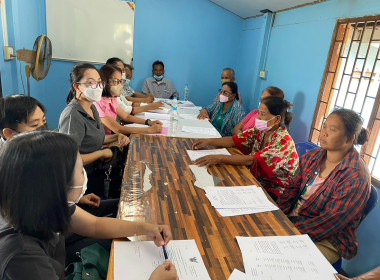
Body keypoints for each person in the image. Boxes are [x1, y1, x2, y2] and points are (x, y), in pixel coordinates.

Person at [0, 131, 178, 280]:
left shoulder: (45, 204)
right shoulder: (22, 256)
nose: (84, 176)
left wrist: (145, 228)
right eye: (79, 170)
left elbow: (95, 225)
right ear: (55, 185)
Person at [277, 108, 371, 264]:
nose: (324, 132)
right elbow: (291, 190)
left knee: (284, 263)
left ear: (349, 139)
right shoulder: (313, 156)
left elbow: (328, 223)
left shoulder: (355, 176)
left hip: (329, 238)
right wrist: (277, 217)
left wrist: (286, 228)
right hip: (294, 220)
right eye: (324, 126)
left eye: (332, 129)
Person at [193, 96, 298, 201]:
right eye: (259, 113)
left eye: (263, 114)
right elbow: (235, 140)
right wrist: (208, 141)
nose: (258, 118)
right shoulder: (261, 131)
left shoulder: (283, 141)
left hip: (275, 190)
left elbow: (251, 160)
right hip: (256, 179)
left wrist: (218, 158)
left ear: (277, 119)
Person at [59, 63, 130, 197]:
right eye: (91, 83)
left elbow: (95, 139)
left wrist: (117, 136)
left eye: (99, 82)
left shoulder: (92, 107)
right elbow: (70, 159)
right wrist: (101, 154)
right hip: (82, 179)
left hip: (96, 170)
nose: (97, 87)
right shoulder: (72, 115)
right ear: (76, 86)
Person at [95, 64, 163, 135]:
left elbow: (126, 116)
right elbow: (118, 129)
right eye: (116, 81)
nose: (120, 85)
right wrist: (149, 130)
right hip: (105, 142)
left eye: (121, 81)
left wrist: (149, 122)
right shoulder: (99, 102)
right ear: (105, 81)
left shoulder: (112, 98)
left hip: (113, 137)